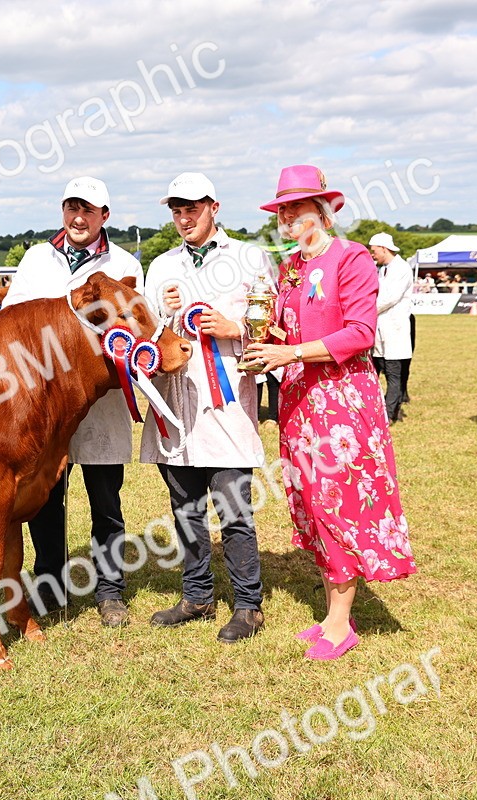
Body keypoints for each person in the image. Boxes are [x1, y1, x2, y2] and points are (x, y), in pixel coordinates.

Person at [245, 164, 417, 661]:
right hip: (299, 401)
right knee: (314, 504)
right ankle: (332, 614)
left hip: (343, 401)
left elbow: (361, 332)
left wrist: (292, 354)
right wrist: (254, 336)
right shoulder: (288, 268)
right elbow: (281, 333)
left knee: (339, 502)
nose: (288, 217)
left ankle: (341, 625)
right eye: (282, 210)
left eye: (296, 208)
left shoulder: (353, 257)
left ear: (323, 210)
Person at [3, 176, 144, 627]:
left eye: (88, 209)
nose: (78, 218)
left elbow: (136, 328)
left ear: (106, 215)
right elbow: (11, 323)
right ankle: (49, 586)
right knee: (45, 499)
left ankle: (110, 591)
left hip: (101, 401)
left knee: (106, 500)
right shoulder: (36, 258)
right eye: (71, 208)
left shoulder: (123, 263)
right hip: (44, 405)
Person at [140, 172, 274, 643]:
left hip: (227, 403)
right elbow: (144, 341)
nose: (183, 217)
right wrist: (161, 311)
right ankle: (196, 595)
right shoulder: (160, 267)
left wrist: (234, 327)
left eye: (192, 208)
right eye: (176, 210)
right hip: (176, 407)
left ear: (214, 207)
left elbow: (273, 326)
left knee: (234, 507)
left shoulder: (249, 257)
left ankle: (248, 605)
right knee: (184, 509)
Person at [369, 232, 413, 424]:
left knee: (393, 375)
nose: (372, 254)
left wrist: (367, 310)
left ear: (384, 249)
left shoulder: (402, 268)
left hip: (394, 329)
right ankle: (378, 410)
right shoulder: (383, 269)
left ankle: (389, 414)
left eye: (374, 251)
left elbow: (389, 298)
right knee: (376, 371)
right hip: (379, 329)